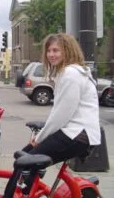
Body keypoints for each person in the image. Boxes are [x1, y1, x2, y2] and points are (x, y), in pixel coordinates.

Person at [21, 33, 101, 195]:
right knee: (24, 155)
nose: (51, 54)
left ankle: (24, 192)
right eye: (49, 51)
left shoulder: (70, 74)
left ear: (67, 51)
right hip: (76, 132)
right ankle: (27, 188)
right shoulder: (74, 72)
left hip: (77, 134)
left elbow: (61, 115)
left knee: (25, 162)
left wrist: (40, 138)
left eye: (56, 50)